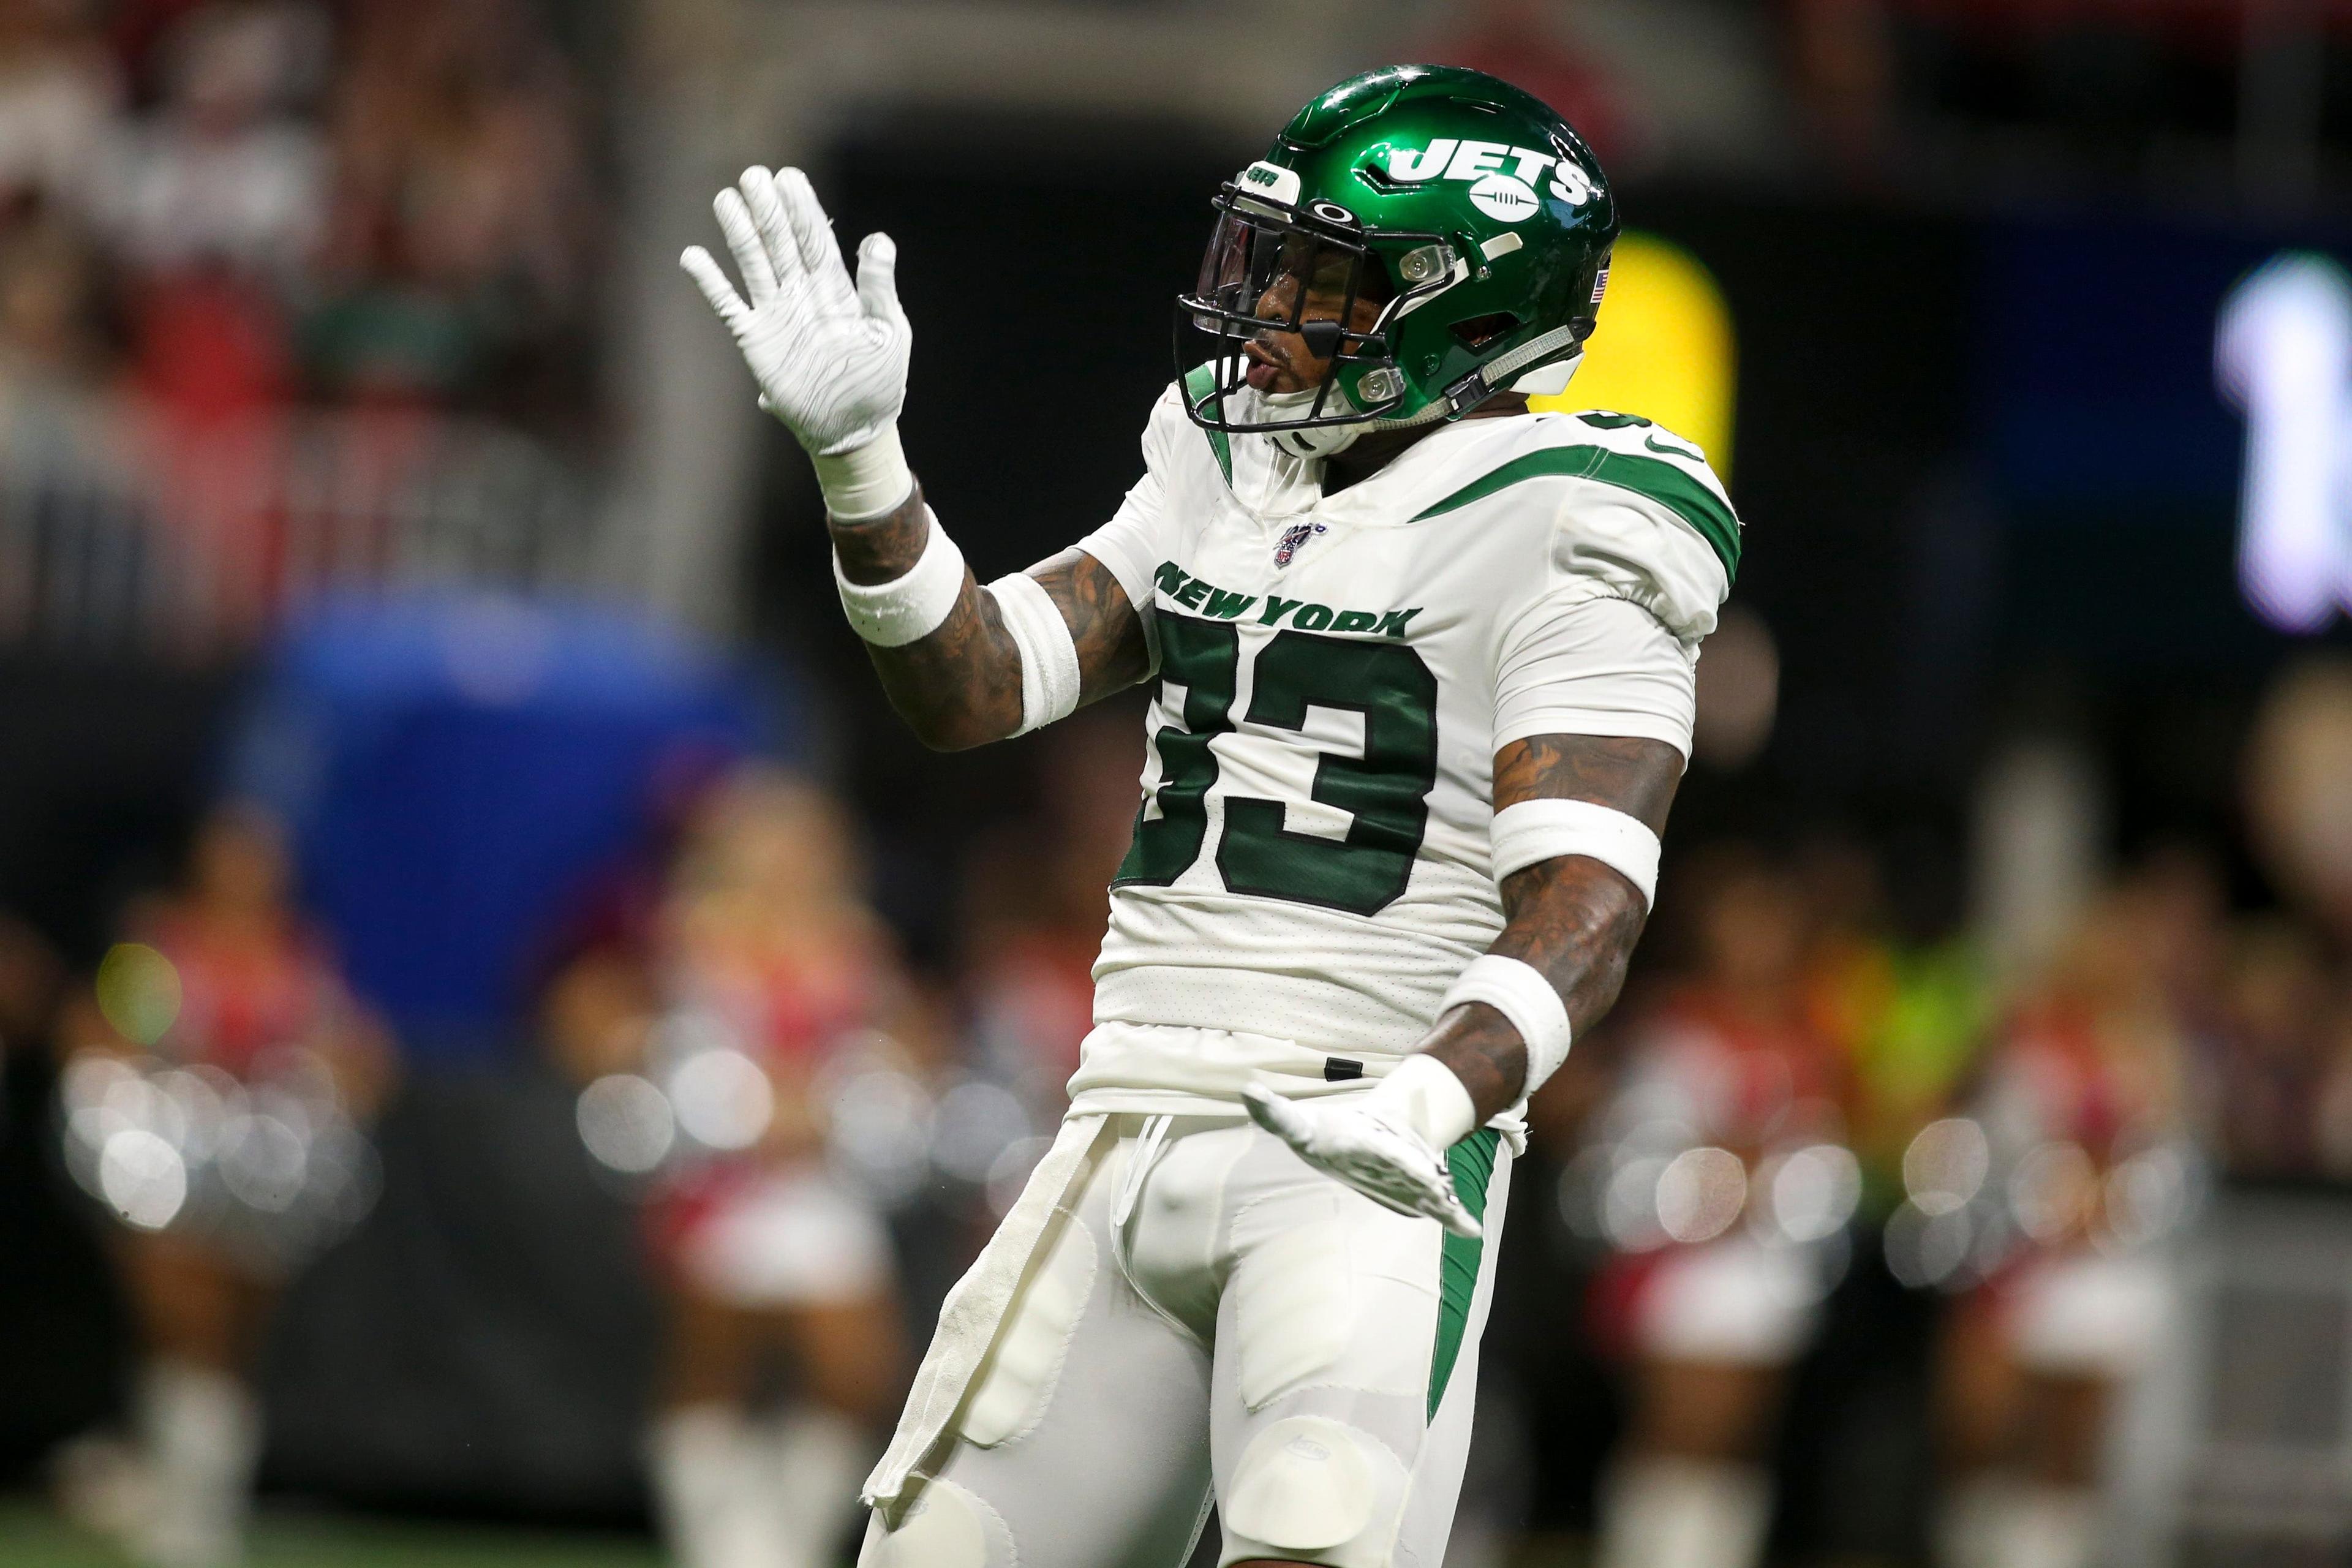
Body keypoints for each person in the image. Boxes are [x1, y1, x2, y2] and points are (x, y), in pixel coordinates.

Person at [683, 63, 1736, 1568]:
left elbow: (1587, 901)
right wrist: (864, 465)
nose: (1279, 299)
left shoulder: (1578, 508)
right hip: (1126, 1115)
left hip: (1359, 1148)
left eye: (1331, 272)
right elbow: (982, 681)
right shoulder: (1232, 451)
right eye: (1285, 252)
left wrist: (1427, 1100)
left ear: (1472, 309)